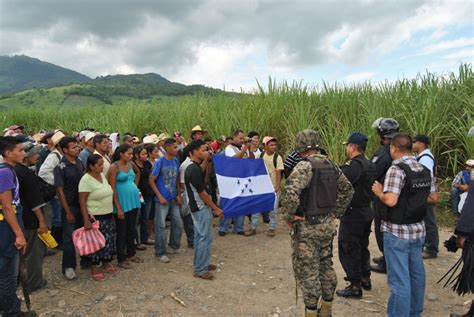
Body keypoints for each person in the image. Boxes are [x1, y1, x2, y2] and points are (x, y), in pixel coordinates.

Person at [284, 129, 354, 317]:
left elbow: (291, 193)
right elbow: (348, 190)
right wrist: (335, 213)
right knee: (326, 265)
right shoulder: (331, 164)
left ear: (300, 147)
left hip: (308, 227)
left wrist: (290, 217)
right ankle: (327, 308)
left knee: (308, 271)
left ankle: (311, 312)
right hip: (327, 226)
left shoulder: (304, 166)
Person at [372, 133, 438, 317]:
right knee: (416, 275)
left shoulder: (397, 170)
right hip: (418, 230)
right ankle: (414, 312)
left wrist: (379, 192)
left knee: (399, 280)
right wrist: (413, 198)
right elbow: (433, 197)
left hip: (397, 231)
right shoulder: (424, 169)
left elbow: (391, 201)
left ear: (394, 148)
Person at [336, 132, 376, 299]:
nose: (346, 148)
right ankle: (365, 277)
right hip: (366, 210)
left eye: (347, 145)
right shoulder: (370, 164)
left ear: (352, 147)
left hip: (353, 213)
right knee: (361, 245)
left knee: (349, 247)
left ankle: (354, 284)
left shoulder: (354, 166)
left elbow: (340, 182)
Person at [0, 136, 36, 317]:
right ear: (8, 153)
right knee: (8, 272)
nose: (23, 153)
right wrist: (19, 235)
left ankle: (7, 304)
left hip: (8, 226)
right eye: (20, 150)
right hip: (6, 228)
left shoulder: (9, 171)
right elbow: (7, 207)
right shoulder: (5, 172)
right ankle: (12, 312)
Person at [184, 140, 224, 280]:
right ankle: (200, 269)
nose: (205, 152)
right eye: (202, 150)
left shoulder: (193, 167)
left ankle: (201, 264)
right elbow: (203, 194)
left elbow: (201, 170)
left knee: (200, 236)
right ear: (193, 152)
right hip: (200, 206)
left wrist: (206, 160)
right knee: (204, 237)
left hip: (198, 206)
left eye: (205, 150)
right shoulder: (192, 169)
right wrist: (216, 208)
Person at [79, 154, 118, 281]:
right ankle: (94, 268)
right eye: (99, 165)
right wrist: (86, 220)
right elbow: (82, 201)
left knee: (108, 240)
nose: (102, 167)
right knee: (95, 243)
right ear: (91, 166)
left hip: (108, 214)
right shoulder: (86, 180)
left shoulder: (101, 176)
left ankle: (106, 262)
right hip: (95, 217)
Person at [15, 142, 48, 293]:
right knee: (33, 253)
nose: (37, 156)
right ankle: (34, 282)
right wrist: (41, 220)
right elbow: (35, 201)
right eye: (34, 154)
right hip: (29, 219)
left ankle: (19, 279)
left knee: (20, 253)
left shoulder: (12, 170)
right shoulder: (26, 174)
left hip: (18, 217)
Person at [54, 136, 87, 280]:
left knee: (84, 233)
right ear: (64, 150)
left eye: (77, 146)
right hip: (70, 206)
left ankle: (86, 260)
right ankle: (69, 267)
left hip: (82, 205)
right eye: (73, 147)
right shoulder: (60, 167)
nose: (77, 149)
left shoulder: (79, 162)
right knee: (68, 238)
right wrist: (67, 212)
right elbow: (60, 191)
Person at [370, 117, 400, 274]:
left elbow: (372, 173)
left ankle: (387, 262)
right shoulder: (398, 150)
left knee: (381, 227)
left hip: (382, 195)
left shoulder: (383, 153)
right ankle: (386, 257)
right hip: (394, 195)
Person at [108, 144, 143, 269]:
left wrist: (134, 186)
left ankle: (131, 253)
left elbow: (138, 173)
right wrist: (118, 207)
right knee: (122, 231)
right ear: (121, 153)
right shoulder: (114, 167)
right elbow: (112, 188)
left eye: (132, 153)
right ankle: (121, 258)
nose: (131, 156)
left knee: (131, 228)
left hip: (133, 200)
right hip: (121, 202)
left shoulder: (131, 164)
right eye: (129, 153)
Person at [149, 138, 184, 263]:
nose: (177, 149)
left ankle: (174, 246)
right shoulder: (160, 162)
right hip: (162, 199)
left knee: (178, 222)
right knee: (161, 225)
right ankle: (160, 252)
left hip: (173, 197)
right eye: (174, 147)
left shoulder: (175, 160)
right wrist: (159, 195)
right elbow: (151, 180)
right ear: (167, 147)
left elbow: (177, 178)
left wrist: (179, 194)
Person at [246, 136, 283, 237]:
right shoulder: (261, 155)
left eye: (275, 145)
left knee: (273, 210)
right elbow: (255, 167)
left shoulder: (277, 157)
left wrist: (277, 187)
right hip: (262, 187)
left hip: (273, 188)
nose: (274, 147)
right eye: (271, 145)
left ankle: (271, 228)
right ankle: (253, 228)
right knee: (256, 208)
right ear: (265, 146)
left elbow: (278, 173)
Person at [219, 129, 252, 236]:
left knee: (241, 203)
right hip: (231, 180)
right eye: (240, 138)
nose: (242, 140)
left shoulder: (243, 147)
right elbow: (234, 159)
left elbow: (251, 158)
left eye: (243, 138)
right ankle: (223, 228)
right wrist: (244, 149)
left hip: (242, 179)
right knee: (229, 203)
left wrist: (248, 148)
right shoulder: (229, 148)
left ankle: (238, 228)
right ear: (234, 138)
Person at [413, 134, 439, 259]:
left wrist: (425, 193)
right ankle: (427, 245)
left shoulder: (425, 158)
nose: (412, 145)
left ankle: (431, 248)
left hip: (427, 193)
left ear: (421, 144)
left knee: (429, 221)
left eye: (415, 142)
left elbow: (426, 176)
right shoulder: (422, 157)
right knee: (426, 219)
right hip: (426, 192)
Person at [38, 130, 65, 245]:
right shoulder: (54, 156)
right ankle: (57, 241)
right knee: (57, 215)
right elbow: (43, 172)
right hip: (55, 191)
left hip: (59, 190)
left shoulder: (60, 155)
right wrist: (57, 182)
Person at [131, 145, 154, 247]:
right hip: (138, 194)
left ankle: (145, 238)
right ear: (136, 155)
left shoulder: (148, 164)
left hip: (147, 193)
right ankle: (136, 240)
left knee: (145, 217)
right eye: (143, 154)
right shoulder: (132, 165)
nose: (145, 156)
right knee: (137, 217)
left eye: (146, 154)